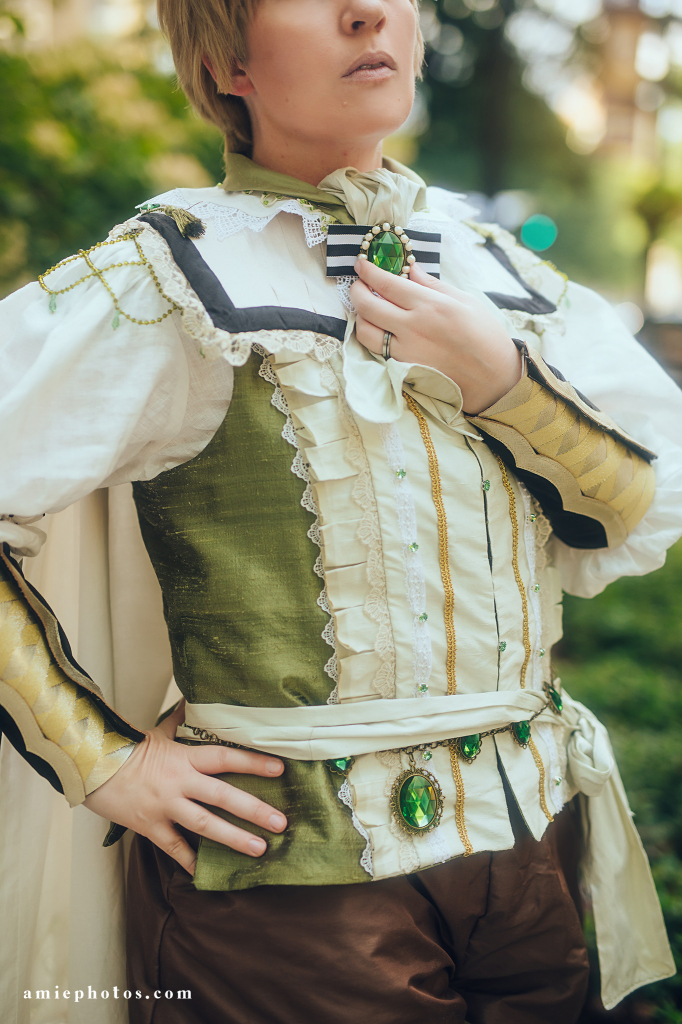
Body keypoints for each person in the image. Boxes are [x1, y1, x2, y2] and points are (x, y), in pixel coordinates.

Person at [1, 0, 681, 1019]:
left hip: (533, 851)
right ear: (230, 57)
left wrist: (505, 382)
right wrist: (102, 760)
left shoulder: (508, 276)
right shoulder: (167, 280)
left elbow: (629, 514)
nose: (370, 12)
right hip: (286, 890)